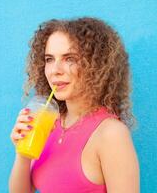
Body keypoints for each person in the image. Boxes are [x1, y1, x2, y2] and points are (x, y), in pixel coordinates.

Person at [8, 17, 140, 193]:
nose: (56, 70)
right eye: (49, 59)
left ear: (95, 65)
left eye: (69, 58)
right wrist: (23, 153)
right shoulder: (48, 122)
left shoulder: (111, 134)